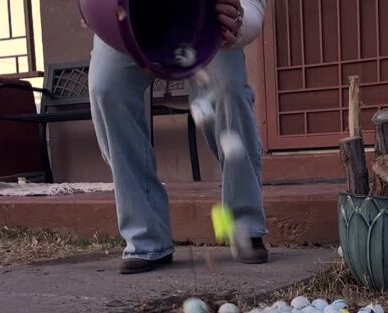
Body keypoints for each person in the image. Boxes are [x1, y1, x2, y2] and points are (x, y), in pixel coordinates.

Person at [89, 0, 268, 274]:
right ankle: (146, 237)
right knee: (107, 88)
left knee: (229, 92)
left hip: (207, 15)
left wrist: (237, 21)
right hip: (129, 14)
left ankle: (244, 225)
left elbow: (253, 6)